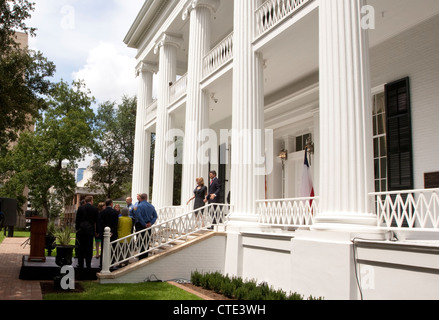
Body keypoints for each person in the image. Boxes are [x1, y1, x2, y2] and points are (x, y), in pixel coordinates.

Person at [75, 196, 99, 269]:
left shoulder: (80, 208)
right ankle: (88, 264)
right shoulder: (95, 209)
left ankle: (80, 263)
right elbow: (96, 221)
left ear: (85, 201)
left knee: (81, 248)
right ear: (91, 201)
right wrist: (96, 231)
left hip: (81, 230)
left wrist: (77, 229)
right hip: (90, 231)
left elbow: (77, 220)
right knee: (89, 248)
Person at [134, 193, 157, 260]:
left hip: (140, 225)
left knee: (140, 240)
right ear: (147, 198)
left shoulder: (139, 206)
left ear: (141, 198)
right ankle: (145, 255)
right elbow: (155, 216)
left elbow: (139, 216)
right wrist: (151, 223)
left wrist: (144, 224)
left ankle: (141, 256)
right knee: (146, 241)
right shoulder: (151, 206)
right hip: (148, 225)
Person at [98, 199, 119, 267]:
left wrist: (103, 231)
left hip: (104, 232)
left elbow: (100, 223)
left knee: (103, 248)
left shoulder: (102, 212)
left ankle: (102, 263)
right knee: (112, 248)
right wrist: (112, 231)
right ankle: (111, 262)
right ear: (111, 204)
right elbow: (116, 224)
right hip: (112, 233)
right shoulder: (115, 212)